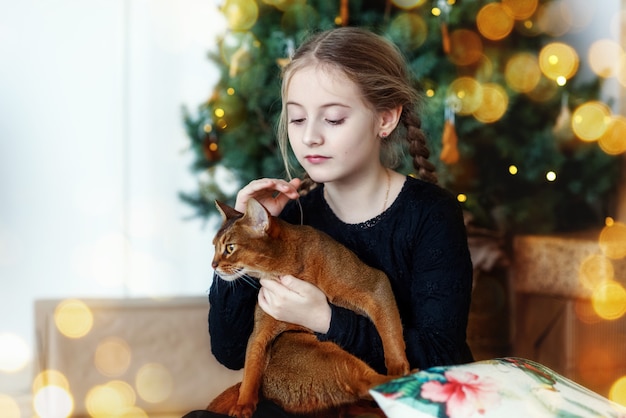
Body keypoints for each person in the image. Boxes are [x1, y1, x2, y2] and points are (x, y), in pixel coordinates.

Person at [184, 26, 474, 418]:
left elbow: (443, 356)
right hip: (313, 397)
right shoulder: (293, 220)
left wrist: (325, 319)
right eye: (297, 119)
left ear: (384, 119)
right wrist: (242, 227)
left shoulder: (430, 214)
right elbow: (231, 351)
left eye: (333, 119)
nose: (310, 138)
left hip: (396, 400)